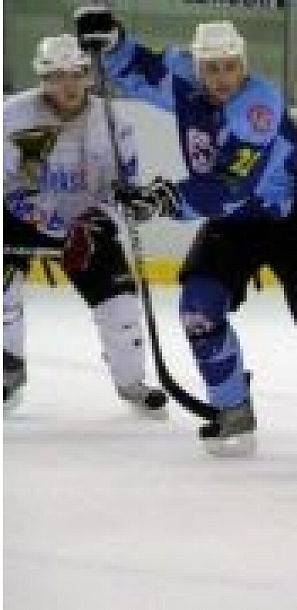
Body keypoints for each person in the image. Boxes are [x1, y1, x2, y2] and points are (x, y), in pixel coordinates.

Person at [74, 9, 297, 456]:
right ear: (197, 66)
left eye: (230, 67)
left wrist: (163, 199)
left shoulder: (259, 107)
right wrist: (114, 42)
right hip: (234, 226)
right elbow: (141, 71)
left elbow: (229, 188)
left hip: (290, 220)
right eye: (212, 68)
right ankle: (232, 408)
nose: (221, 78)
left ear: (244, 64)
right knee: (199, 309)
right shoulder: (184, 76)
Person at [3, 34, 167, 418]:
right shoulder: (14, 116)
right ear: (44, 78)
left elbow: (124, 189)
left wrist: (101, 219)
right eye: (58, 76)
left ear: (88, 75)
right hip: (23, 217)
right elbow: (6, 182)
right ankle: (7, 370)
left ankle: (131, 382)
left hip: (88, 223)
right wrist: (41, 217)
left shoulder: (113, 123)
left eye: (77, 74)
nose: (69, 84)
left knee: (121, 305)